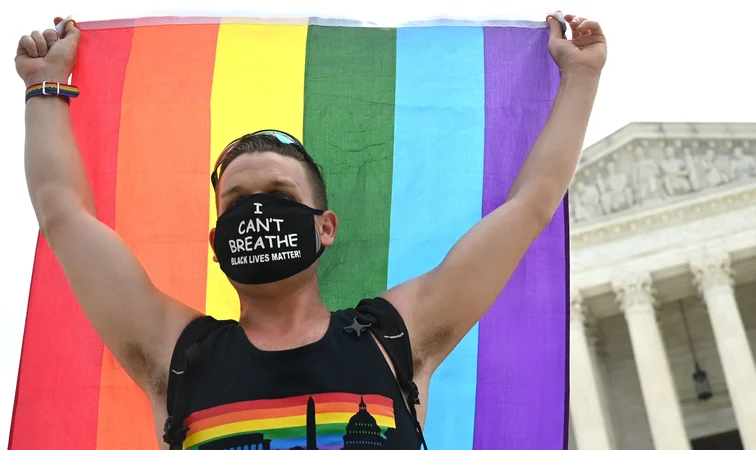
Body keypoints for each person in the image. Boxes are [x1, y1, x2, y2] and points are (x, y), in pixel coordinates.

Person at [15, 13, 606, 450]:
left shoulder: (397, 339)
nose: (258, 213)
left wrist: (580, 75)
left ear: (326, 228)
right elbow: (64, 217)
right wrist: (45, 87)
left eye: (279, 196)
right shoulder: (178, 356)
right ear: (218, 241)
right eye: (238, 202)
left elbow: (531, 207)